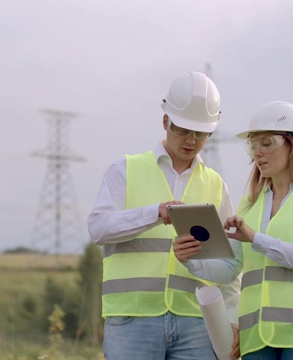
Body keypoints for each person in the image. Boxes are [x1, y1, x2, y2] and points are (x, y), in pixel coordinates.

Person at [87, 71, 242, 360]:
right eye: (183, 129)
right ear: (165, 121)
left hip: (198, 321)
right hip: (132, 320)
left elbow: (231, 262)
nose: (191, 140)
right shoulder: (125, 170)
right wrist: (153, 213)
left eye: (201, 133)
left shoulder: (216, 186)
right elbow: (98, 228)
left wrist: (232, 319)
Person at [174, 101, 293, 360]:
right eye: (253, 145)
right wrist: (192, 261)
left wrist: (256, 239)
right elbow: (232, 268)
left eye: (267, 144)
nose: (257, 153)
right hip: (257, 338)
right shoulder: (249, 204)